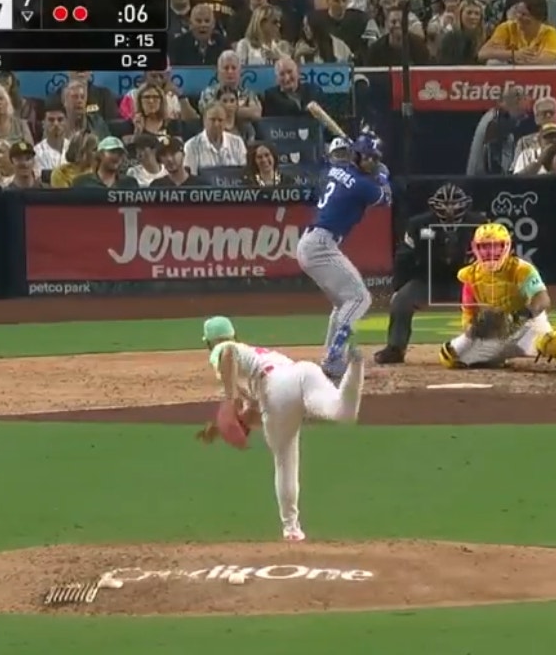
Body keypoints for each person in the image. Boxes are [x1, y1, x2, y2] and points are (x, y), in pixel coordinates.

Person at [195, 315, 365, 542]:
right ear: (235, 334)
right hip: (303, 372)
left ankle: (291, 529)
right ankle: (355, 363)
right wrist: (222, 426)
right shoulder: (253, 357)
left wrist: (228, 401)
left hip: (275, 387)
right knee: (343, 413)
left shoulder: (225, 349)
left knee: (284, 459)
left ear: (209, 343)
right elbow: (255, 412)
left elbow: (227, 353)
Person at [437, 222, 556, 372]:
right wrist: (474, 329)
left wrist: (519, 316)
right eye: (485, 247)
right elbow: (468, 313)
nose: (490, 252)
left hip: (526, 326)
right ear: (475, 248)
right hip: (496, 329)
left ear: (506, 247)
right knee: (449, 356)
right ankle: (493, 358)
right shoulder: (469, 276)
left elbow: (542, 299)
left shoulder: (522, 269)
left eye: (496, 246)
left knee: (548, 340)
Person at [296, 133, 391, 381]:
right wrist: (382, 175)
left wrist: (373, 170)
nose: (371, 162)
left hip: (313, 243)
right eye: (368, 158)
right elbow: (386, 199)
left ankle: (332, 357)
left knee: (344, 303)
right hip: (320, 245)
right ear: (357, 155)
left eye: (375, 159)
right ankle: (334, 357)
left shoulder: (337, 169)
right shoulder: (362, 185)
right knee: (360, 298)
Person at [375, 182, 487, 365]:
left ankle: (486, 349)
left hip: (466, 282)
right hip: (427, 280)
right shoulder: (418, 225)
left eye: (454, 204)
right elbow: (403, 257)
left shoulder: (480, 224)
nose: (450, 210)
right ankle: (395, 348)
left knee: (491, 302)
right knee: (401, 300)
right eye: (445, 205)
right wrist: (398, 287)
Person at [477, 0, 556, 64]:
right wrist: (514, 54)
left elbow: (547, 61)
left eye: (524, 14)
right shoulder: (506, 28)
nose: (519, 17)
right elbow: (482, 54)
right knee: (494, 63)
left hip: (538, 76)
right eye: (518, 12)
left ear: (538, 18)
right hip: (510, 73)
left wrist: (521, 61)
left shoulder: (551, 34)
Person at [184, 104, 247, 172]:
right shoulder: (191, 146)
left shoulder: (237, 143)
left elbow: (242, 172)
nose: (216, 124)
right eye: (212, 120)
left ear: (225, 122)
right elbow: (191, 176)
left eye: (220, 120)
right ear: (204, 121)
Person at [72, 137, 139, 188]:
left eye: (120, 153)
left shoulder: (129, 183)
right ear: (100, 154)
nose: (117, 156)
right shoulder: (82, 182)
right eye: (113, 152)